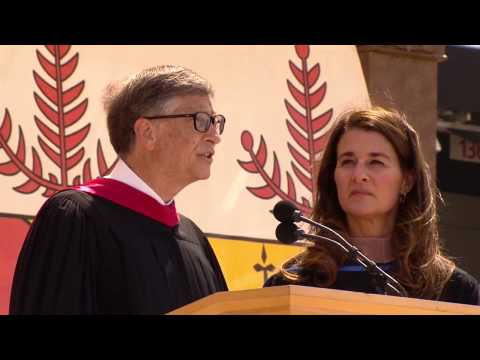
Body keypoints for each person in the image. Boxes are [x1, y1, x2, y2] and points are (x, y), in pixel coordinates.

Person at [9, 65, 228, 314]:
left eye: (215, 122)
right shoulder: (76, 218)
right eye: (200, 121)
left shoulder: (195, 240)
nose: (214, 136)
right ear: (147, 132)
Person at [265, 107, 480, 305]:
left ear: (407, 180)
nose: (359, 176)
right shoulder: (290, 286)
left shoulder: (453, 291)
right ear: (333, 177)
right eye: (347, 161)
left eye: (376, 162)